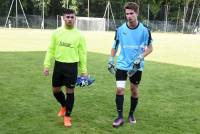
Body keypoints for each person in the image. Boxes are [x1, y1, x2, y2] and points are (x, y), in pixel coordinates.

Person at [108, 2, 153, 127]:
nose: (129, 16)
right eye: (127, 13)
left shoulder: (145, 31)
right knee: (119, 90)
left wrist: (140, 57)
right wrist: (111, 59)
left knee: (134, 90)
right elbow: (114, 46)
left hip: (136, 67)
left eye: (131, 13)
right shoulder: (120, 30)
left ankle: (131, 114)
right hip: (122, 64)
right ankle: (120, 117)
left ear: (137, 13)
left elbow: (150, 48)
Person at [43, 9, 87, 127]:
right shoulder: (56, 33)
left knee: (70, 91)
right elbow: (51, 49)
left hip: (72, 67)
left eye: (72, 17)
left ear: (75, 19)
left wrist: (84, 70)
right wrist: (47, 65)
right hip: (59, 65)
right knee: (55, 90)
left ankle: (67, 116)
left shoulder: (79, 35)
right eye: (67, 17)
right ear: (63, 18)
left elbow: (83, 53)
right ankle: (63, 105)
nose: (70, 19)